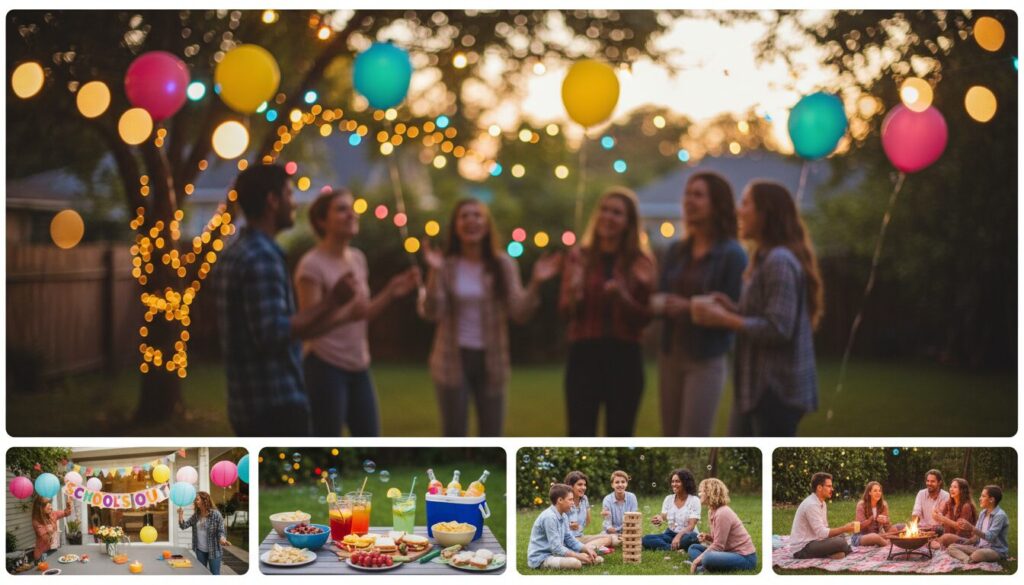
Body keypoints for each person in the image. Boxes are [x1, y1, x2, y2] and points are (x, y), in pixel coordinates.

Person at [216, 164, 358, 436]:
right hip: (273, 403)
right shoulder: (262, 256)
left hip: (245, 402)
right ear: (272, 200)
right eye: (289, 195)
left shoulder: (235, 252)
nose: (294, 204)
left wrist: (338, 311)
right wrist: (332, 301)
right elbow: (274, 334)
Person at [418, 198, 561, 436]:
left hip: (492, 359)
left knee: (492, 433)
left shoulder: (503, 264)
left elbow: (519, 312)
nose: (471, 221)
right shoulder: (447, 265)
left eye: (477, 215)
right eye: (464, 216)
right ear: (455, 226)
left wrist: (535, 283)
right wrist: (434, 271)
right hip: (450, 359)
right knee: (454, 433)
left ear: (486, 225)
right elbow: (432, 312)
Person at [692, 181, 822, 436]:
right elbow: (766, 315)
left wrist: (726, 319)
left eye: (746, 203)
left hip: (776, 390)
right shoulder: (764, 257)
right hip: (756, 388)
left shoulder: (779, 261)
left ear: (766, 213)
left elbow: (778, 328)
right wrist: (734, 308)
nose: (739, 211)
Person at [296, 188, 420, 436]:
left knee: (371, 439)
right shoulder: (311, 265)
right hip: (324, 366)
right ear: (322, 221)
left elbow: (361, 313)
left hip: (359, 365)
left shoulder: (357, 259)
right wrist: (346, 315)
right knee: (326, 441)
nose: (351, 214)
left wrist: (391, 292)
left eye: (352, 208)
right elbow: (307, 327)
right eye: (341, 209)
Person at [652, 171, 746, 436]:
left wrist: (688, 307)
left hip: (706, 358)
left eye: (698, 195)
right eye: (687, 194)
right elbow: (660, 294)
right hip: (670, 354)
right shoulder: (675, 251)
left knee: (693, 436)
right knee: (669, 437)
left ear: (717, 203)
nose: (689, 200)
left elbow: (736, 310)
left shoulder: (732, 254)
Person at [560, 187, 655, 436]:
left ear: (628, 222)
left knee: (621, 432)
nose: (608, 217)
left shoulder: (640, 262)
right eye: (604, 210)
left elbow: (646, 318)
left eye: (617, 213)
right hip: (584, 354)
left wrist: (623, 297)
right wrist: (575, 292)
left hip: (625, 357)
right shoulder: (579, 257)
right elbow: (564, 312)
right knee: (579, 432)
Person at [687, 478, 757, 573]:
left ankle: (702, 566)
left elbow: (719, 546)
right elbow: (719, 541)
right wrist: (708, 537)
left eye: (701, 491)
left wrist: (696, 561)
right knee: (693, 547)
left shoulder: (722, 512)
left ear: (709, 492)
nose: (699, 494)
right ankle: (705, 566)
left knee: (707, 558)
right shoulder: (712, 511)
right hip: (727, 552)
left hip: (745, 557)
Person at [526, 483, 602, 570]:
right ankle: (579, 560)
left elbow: (569, 538)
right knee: (575, 563)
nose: (573, 503)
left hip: (555, 554)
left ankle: (582, 559)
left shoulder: (564, 515)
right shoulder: (549, 517)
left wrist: (586, 549)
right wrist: (578, 556)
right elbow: (556, 548)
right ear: (560, 500)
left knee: (597, 559)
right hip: (542, 558)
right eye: (570, 500)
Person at [789, 472, 855, 559]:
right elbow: (822, 533)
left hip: (816, 541)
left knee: (842, 536)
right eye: (829, 486)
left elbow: (824, 529)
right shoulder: (811, 504)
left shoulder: (822, 503)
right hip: (802, 548)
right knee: (840, 542)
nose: (832, 489)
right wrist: (844, 528)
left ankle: (834, 552)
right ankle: (840, 550)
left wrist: (843, 531)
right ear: (819, 488)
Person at [642, 468, 701, 552]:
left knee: (693, 538)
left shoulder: (694, 500)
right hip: (670, 534)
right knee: (646, 539)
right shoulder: (668, 499)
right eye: (672, 481)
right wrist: (659, 518)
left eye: (677, 481)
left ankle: (672, 545)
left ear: (685, 483)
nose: (674, 484)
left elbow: (691, 526)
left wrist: (678, 536)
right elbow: (663, 516)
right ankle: (671, 548)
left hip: (686, 534)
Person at [947, 485, 1009, 564]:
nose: (980, 498)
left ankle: (967, 558)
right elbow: (977, 536)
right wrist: (965, 544)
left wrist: (971, 527)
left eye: (983, 496)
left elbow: (990, 537)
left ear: (991, 499)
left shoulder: (1000, 516)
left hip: (995, 550)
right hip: (979, 547)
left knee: (978, 554)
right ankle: (968, 559)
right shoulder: (983, 513)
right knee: (952, 547)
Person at [177, 491, 230, 575]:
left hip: (214, 550)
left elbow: (221, 530)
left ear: (204, 500)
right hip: (200, 550)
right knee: (202, 574)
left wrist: (222, 539)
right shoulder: (197, 515)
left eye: (197, 499)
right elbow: (184, 526)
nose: (195, 501)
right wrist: (180, 515)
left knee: (214, 574)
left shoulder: (215, 514)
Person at [563, 471, 613, 552]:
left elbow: (587, 522)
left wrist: (604, 515)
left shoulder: (584, 499)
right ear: (570, 486)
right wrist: (568, 525)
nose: (583, 487)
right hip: (567, 540)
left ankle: (585, 549)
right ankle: (586, 550)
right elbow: (557, 524)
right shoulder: (564, 501)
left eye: (584, 485)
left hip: (580, 537)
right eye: (579, 484)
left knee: (608, 538)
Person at [931, 477, 977, 548]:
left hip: (964, 539)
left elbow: (961, 528)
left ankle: (939, 543)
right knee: (933, 530)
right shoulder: (949, 503)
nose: (951, 489)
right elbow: (940, 519)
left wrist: (943, 519)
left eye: (955, 487)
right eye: (951, 486)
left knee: (946, 537)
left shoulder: (966, 506)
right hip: (950, 535)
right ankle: (938, 542)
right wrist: (936, 514)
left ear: (962, 490)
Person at [600, 470, 638, 546]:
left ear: (626, 484)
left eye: (623, 482)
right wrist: (613, 531)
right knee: (613, 539)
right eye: (617, 482)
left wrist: (626, 533)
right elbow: (608, 523)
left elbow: (634, 519)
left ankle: (621, 540)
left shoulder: (632, 497)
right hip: (611, 533)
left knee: (635, 538)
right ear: (612, 485)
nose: (620, 485)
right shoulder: (607, 499)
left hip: (628, 530)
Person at [31, 496, 72, 562]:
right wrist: (51, 528)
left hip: (53, 550)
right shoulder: (36, 521)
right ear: (40, 508)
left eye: (50, 503)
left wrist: (68, 505)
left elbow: (66, 513)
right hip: (42, 554)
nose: (50, 506)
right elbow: (46, 539)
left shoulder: (52, 514)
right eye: (47, 505)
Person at [853, 481, 893, 547]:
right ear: (869, 492)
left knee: (899, 528)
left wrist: (886, 521)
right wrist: (869, 521)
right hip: (861, 536)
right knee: (875, 537)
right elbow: (859, 526)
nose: (878, 493)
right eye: (875, 491)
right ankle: (888, 545)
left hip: (879, 535)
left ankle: (886, 541)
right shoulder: (861, 505)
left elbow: (887, 527)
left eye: (879, 491)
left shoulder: (883, 505)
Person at [910, 468, 950, 533]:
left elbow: (945, 520)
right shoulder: (921, 493)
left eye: (932, 481)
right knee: (899, 526)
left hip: (937, 530)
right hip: (921, 529)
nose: (929, 483)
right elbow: (916, 512)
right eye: (927, 481)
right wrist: (914, 527)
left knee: (938, 529)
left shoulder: (946, 496)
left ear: (939, 482)